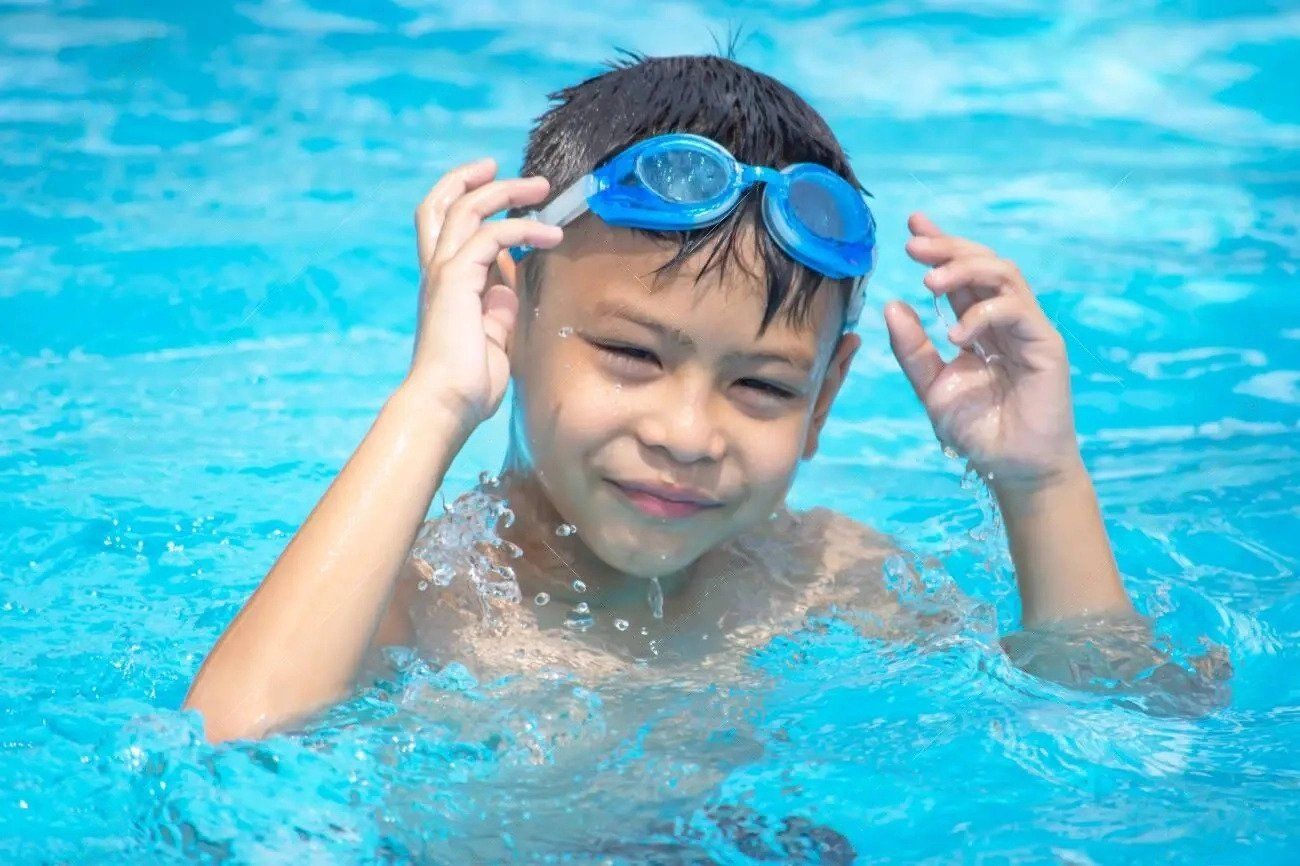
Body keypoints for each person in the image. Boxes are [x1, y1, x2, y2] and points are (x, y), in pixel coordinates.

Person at [183, 54, 1225, 746]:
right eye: (633, 354)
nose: (688, 435)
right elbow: (222, 757)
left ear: (823, 404)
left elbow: (1129, 724)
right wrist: (435, 395)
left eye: (763, 385)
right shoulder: (425, 600)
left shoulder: (822, 576)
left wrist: (1038, 484)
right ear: (507, 310)